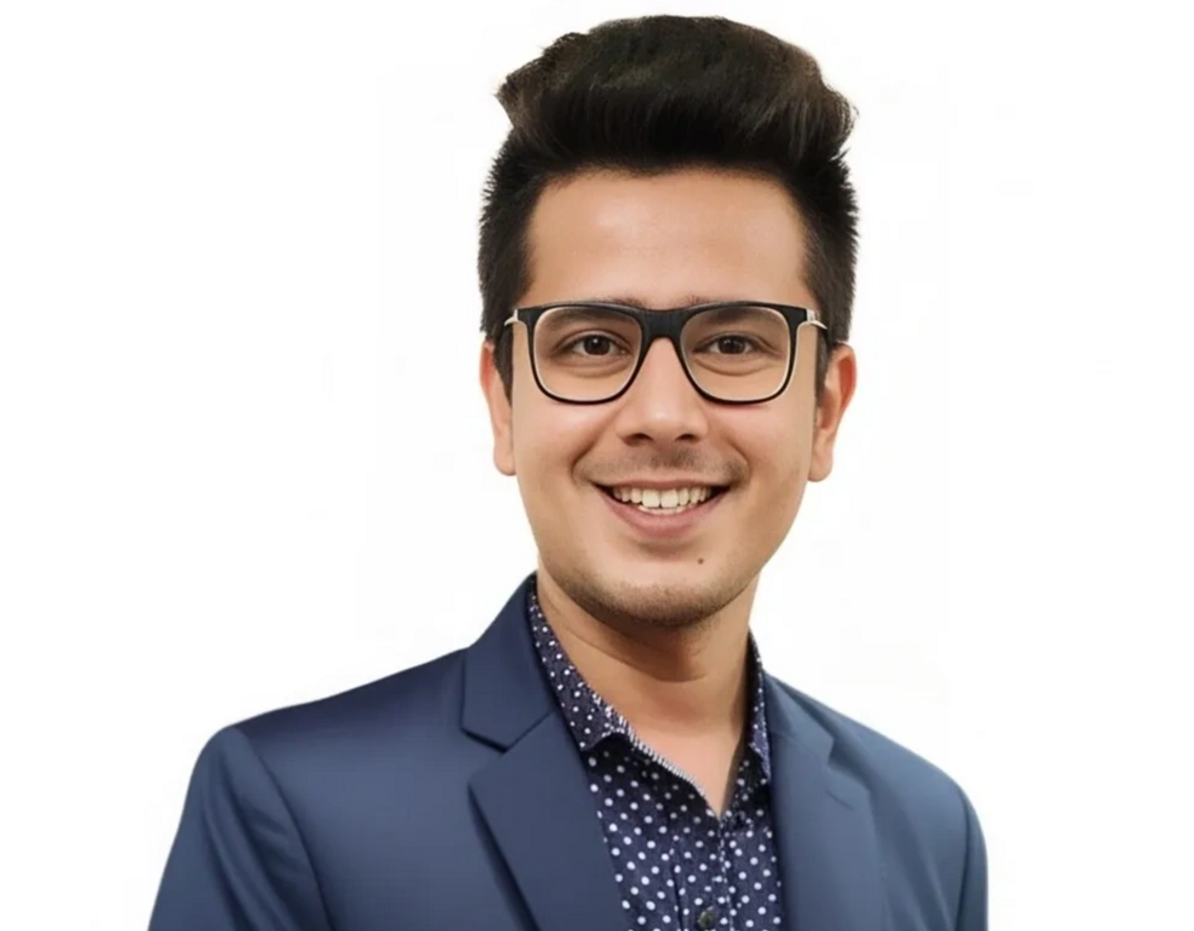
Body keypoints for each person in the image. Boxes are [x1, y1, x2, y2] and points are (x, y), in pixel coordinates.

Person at [149, 14, 987, 931]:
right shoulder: (295, 810)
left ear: (825, 407)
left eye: (736, 341)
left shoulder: (926, 833)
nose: (663, 414)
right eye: (593, 343)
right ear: (503, 401)